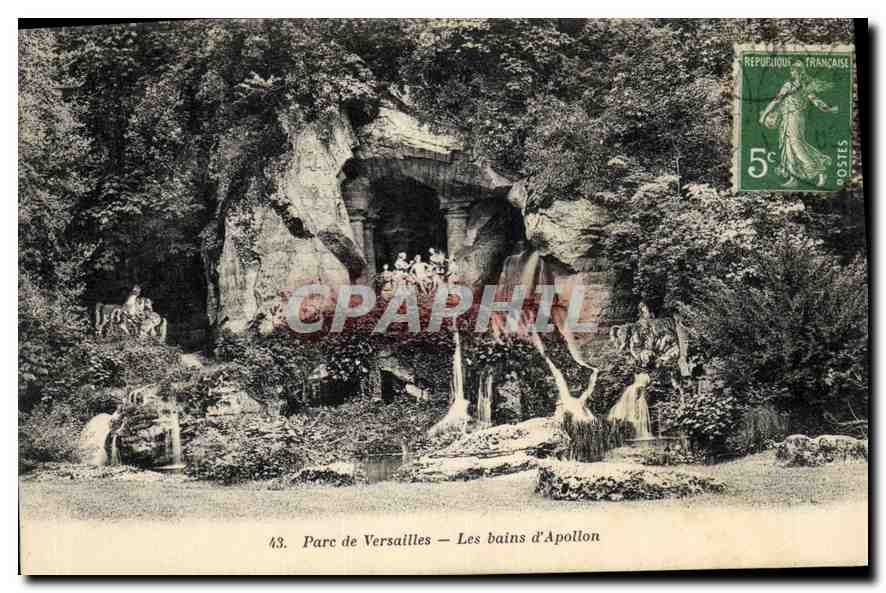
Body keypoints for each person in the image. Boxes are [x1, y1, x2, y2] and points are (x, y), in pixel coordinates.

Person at [759, 60, 839, 188]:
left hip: (795, 117)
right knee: (788, 145)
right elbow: (778, 101)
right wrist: (766, 114)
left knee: (796, 143)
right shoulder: (795, 85)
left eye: (795, 70)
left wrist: (829, 109)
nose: (793, 72)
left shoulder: (796, 86)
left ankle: (816, 169)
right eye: (792, 70)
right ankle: (794, 178)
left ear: (800, 72)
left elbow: (815, 101)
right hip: (788, 117)